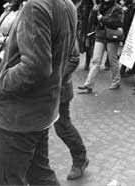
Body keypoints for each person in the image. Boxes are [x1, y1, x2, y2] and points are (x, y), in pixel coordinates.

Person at [0, 0, 77, 185]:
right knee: (40, 174)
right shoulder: (64, 2)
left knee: (6, 180)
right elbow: (54, 52)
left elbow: (36, 66)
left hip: (22, 112)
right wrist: (7, 52)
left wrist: (3, 82)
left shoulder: (35, 6)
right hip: (43, 106)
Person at [78, 0, 123, 93]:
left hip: (112, 37)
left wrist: (103, 19)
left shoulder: (117, 8)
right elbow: (92, 22)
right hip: (100, 36)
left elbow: (118, 22)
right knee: (95, 60)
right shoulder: (98, 6)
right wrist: (94, 12)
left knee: (112, 60)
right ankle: (88, 84)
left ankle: (116, 81)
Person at [54, 40, 89, 181]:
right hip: (41, 89)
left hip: (58, 88)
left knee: (62, 126)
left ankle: (80, 159)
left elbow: (74, 58)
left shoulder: (64, 20)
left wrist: (54, 78)